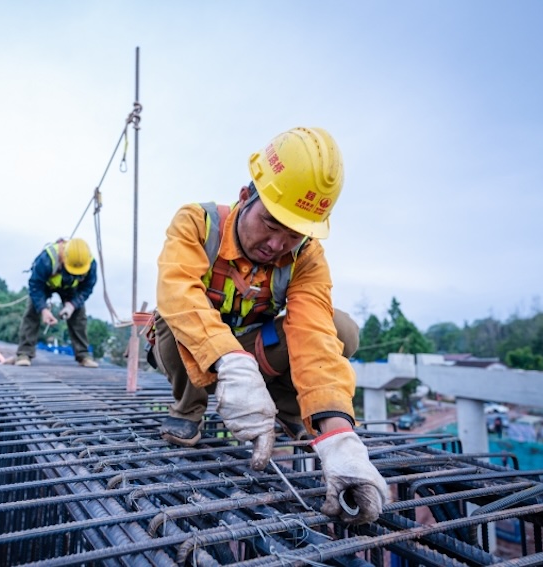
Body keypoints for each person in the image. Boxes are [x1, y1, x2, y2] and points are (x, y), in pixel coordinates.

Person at [151, 126, 387, 525]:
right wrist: (229, 360)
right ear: (246, 197)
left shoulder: (307, 257)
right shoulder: (197, 222)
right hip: (189, 348)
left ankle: (286, 409)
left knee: (340, 330)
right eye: (271, 223)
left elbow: (314, 335)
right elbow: (178, 292)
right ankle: (189, 410)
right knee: (178, 321)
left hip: (251, 344)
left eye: (293, 234)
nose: (278, 244)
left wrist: (338, 436)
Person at [15, 237, 99, 368]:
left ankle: (83, 355)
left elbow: (87, 288)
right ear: (64, 258)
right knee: (32, 311)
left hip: (70, 288)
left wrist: (72, 305)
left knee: (79, 315)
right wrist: (43, 309)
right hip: (45, 285)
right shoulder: (46, 259)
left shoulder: (90, 263)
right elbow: (35, 285)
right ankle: (24, 353)